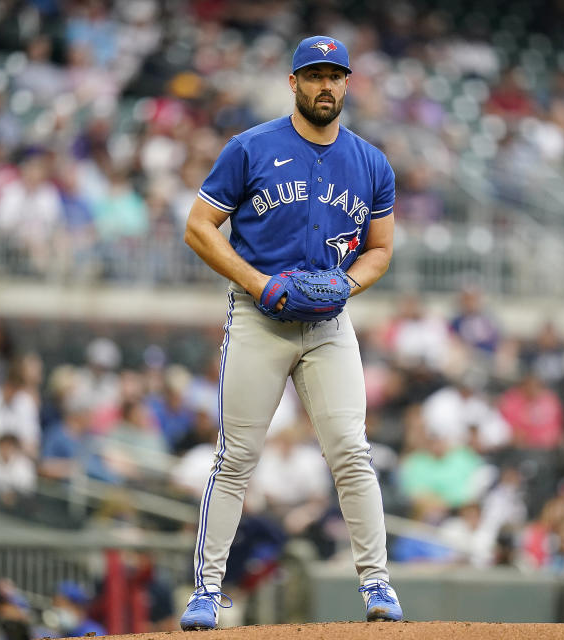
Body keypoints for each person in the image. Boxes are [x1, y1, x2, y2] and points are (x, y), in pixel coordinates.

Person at [179, 35, 401, 630]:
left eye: (335, 75)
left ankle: (377, 583)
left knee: (352, 452)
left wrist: (348, 286)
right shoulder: (250, 148)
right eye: (314, 75)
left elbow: (380, 250)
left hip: (329, 322)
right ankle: (206, 591)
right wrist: (256, 283)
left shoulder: (371, 162)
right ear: (293, 82)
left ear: (347, 83)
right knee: (235, 459)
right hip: (260, 317)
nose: (325, 85)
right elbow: (199, 227)